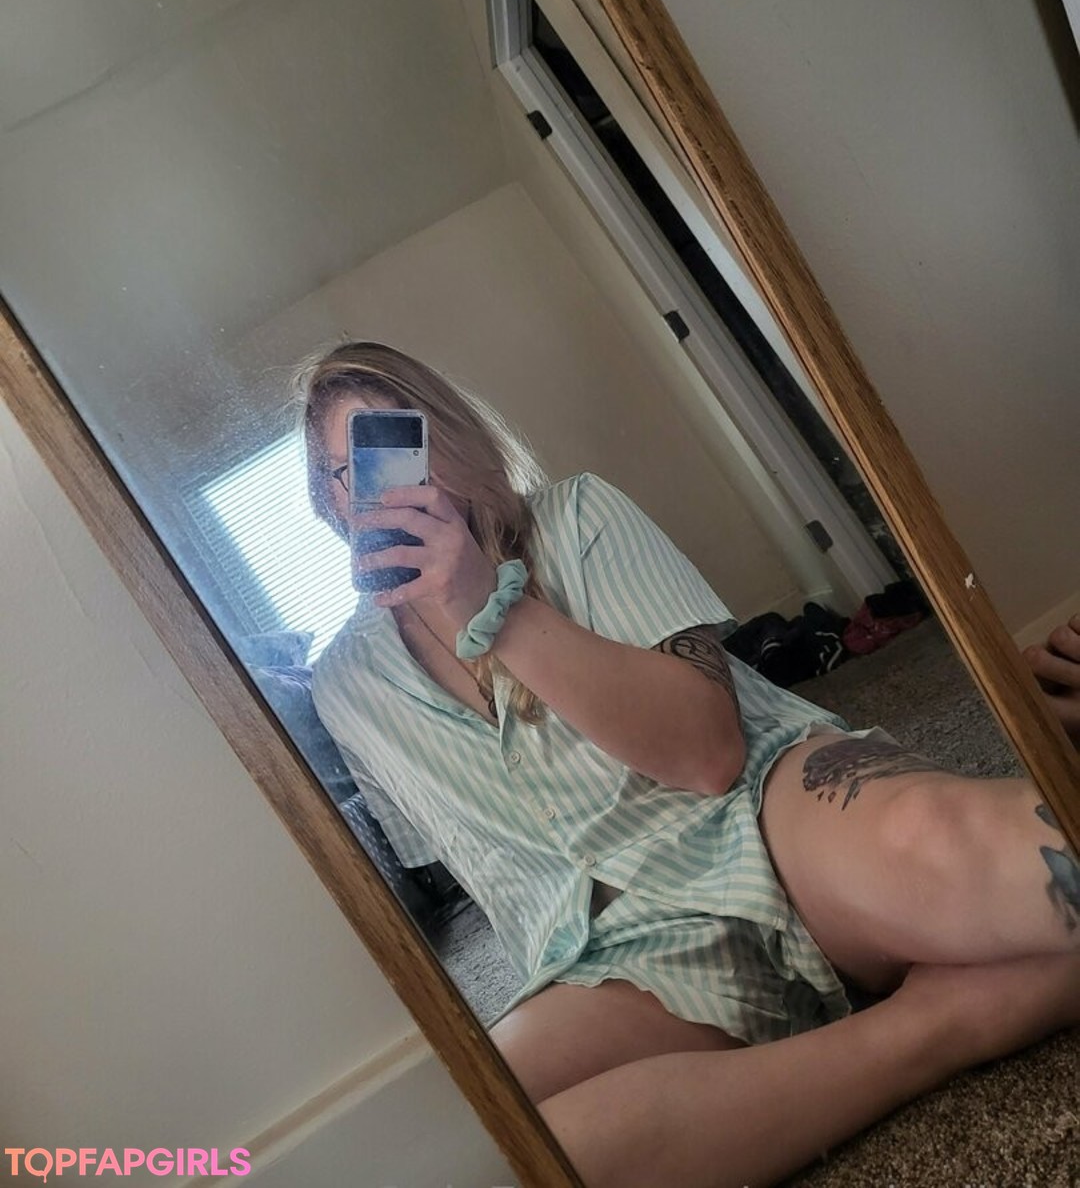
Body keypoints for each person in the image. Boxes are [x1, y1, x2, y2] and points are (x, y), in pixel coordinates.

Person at [298, 340, 1080, 1188]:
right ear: (327, 499)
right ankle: (941, 1024)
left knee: (972, 848)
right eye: (347, 469)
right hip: (610, 950)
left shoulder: (578, 515)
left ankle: (961, 942)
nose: (382, 484)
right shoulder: (348, 685)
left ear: (452, 439)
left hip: (762, 809)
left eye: (398, 442)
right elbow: (480, 864)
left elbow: (709, 756)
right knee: (493, 1152)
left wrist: (490, 605)